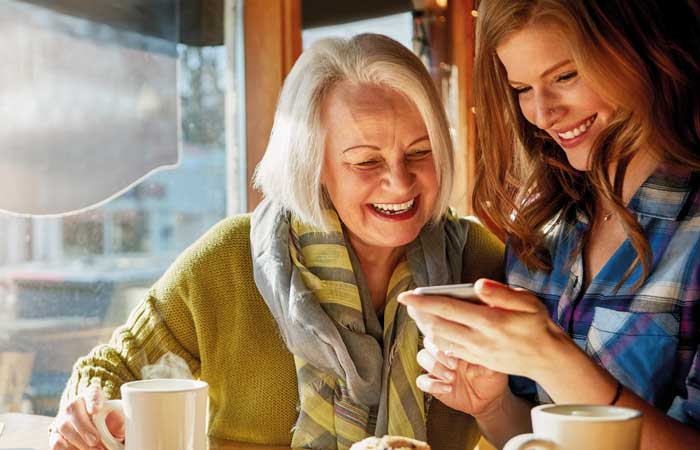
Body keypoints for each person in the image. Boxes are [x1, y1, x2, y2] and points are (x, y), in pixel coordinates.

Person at [48, 34, 504, 450]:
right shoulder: (229, 259)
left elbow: (531, 419)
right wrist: (83, 412)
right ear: (314, 165)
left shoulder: (479, 260)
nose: (400, 182)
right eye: (366, 162)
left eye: (419, 153)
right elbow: (112, 368)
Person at [398, 1, 700, 449]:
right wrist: (493, 406)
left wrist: (552, 358)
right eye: (521, 87)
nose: (541, 112)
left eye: (565, 76)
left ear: (638, 50)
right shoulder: (543, 228)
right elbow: (530, 437)